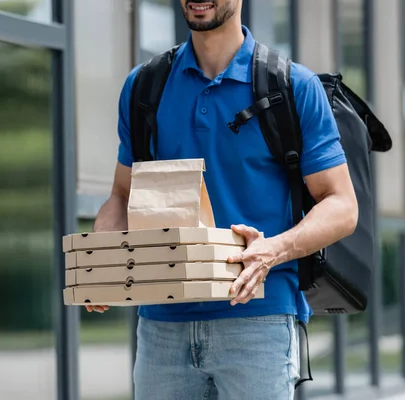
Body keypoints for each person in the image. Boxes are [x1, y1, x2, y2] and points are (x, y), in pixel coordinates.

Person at [89, 0, 358, 398]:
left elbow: (341, 205)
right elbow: (122, 194)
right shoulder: (144, 86)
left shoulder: (292, 86)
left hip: (258, 321)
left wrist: (274, 250)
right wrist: (102, 259)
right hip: (163, 324)